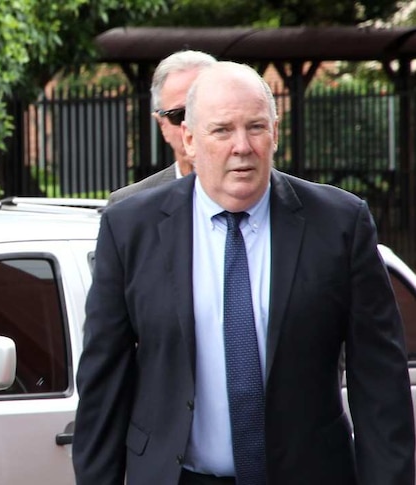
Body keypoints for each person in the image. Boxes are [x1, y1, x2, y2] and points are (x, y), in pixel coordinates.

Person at [73, 61, 414, 485]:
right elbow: (103, 383)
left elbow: (381, 383)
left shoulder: (339, 224)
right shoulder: (131, 228)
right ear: (190, 140)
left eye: (255, 127)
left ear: (275, 131)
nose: (242, 146)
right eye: (222, 130)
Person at [108, 50, 216, 206]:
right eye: (180, 115)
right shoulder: (128, 205)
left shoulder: (262, 198)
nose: (193, 126)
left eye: (207, 111)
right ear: (162, 125)